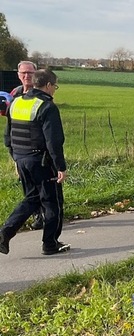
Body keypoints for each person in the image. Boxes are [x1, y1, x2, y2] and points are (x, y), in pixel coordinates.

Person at [0, 69, 70, 256]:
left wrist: (15, 158)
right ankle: (50, 244)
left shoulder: (16, 102)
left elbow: (8, 136)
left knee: (32, 198)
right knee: (52, 201)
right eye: (54, 86)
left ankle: (5, 233)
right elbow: (54, 141)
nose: (54, 90)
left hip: (21, 158)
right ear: (48, 85)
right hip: (41, 161)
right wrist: (60, 167)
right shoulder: (47, 106)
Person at [9, 61, 46, 230]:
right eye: (23, 73)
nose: (27, 76)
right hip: (20, 150)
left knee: (43, 188)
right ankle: (38, 216)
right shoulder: (15, 94)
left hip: (38, 152)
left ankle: (46, 216)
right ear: (18, 75)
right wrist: (13, 154)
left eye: (30, 73)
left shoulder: (42, 94)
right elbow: (10, 126)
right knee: (29, 188)